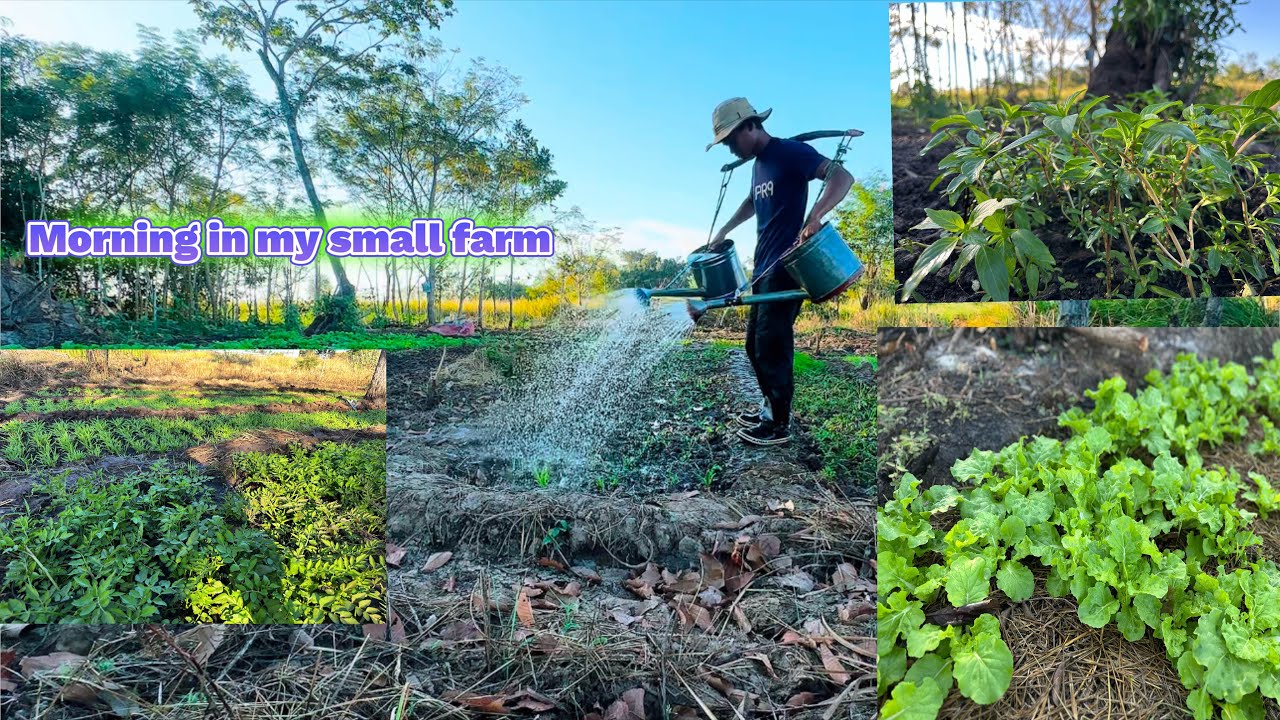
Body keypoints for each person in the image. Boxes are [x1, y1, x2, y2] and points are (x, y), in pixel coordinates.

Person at [703, 97, 854, 447]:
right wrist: (724, 231)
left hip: (788, 265)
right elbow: (753, 202)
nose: (729, 148)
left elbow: (840, 176)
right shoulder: (759, 165)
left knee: (772, 344)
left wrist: (815, 215)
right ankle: (770, 407)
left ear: (751, 126)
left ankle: (779, 425)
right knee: (753, 345)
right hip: (764, 266)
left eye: (730, 140)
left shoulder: (789, 152)